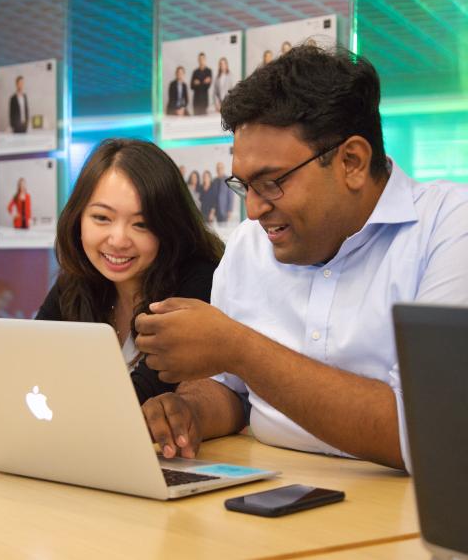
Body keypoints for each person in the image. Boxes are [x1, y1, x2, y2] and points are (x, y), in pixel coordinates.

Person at [134, 44, 468, 468]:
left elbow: (424, 432)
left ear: (352, 161)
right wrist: (190, 411)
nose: (253, 210)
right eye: (244, 186)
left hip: (403, 508)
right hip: (270, 486)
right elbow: (229, 389)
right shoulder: (248, 245)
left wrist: (239, 348)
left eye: (271, 183)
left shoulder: (449, 228)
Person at [36, 139, 223, 405]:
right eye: (102, 218)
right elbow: (28, 364)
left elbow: (135, 400)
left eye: (141, 224)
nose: (118, 239)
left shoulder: (199, 282)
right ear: (78, 218)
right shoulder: (78, 281)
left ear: (169, 226)